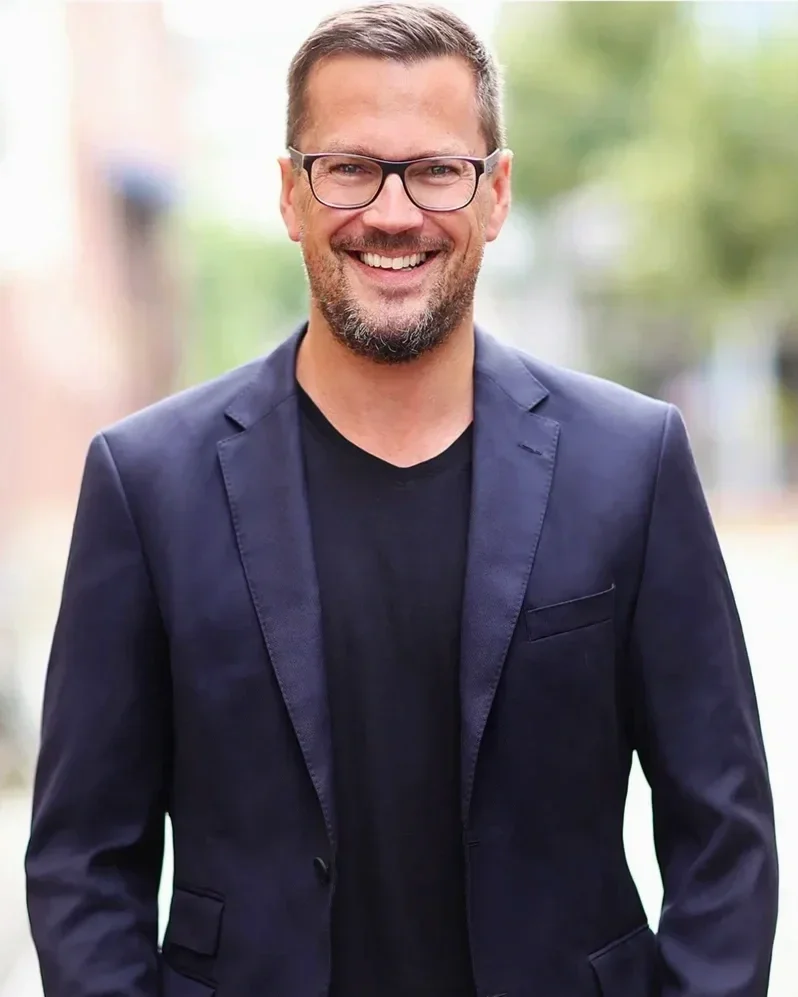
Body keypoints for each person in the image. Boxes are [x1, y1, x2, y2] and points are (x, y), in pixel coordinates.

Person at [25, 4, 778, 997]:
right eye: (349, 167)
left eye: (435, 169)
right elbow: (83, 862)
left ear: (496, 192)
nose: (392, 212)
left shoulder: (631, 462)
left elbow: (725, 835)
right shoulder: (147, 482)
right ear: (291, 194)